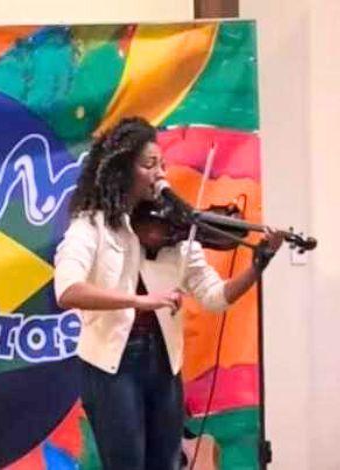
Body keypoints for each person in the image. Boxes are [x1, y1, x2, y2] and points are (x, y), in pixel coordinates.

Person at [53, 117, 283, 470]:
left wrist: (256, 267)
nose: (160, 174)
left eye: (162, 164)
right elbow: (68, 290)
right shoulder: (92, 225)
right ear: (122, 169)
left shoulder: (176, 230)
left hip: (164, 362)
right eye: (149, 165)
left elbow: (215, 297)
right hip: (112, 365)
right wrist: (139, 301)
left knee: (167, 463)